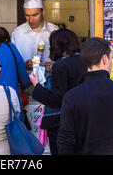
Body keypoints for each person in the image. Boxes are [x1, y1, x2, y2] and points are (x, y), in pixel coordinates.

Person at [57, 37, 113, 155]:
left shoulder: (72, 97)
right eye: (112, 58)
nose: (112, 63)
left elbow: (65, 140)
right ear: (105, 59)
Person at [29, 27, 86, 155]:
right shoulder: (84, 62)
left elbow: (56, 99)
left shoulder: (61, 65)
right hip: (82, 120)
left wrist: (36, 85)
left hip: (61, 123)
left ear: (58, 46)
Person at [11, 0, 58, 72]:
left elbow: (64, 59)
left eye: (35, 15)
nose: (31, 20)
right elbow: (12, 62)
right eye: (27, 15)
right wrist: (23, 65)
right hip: (25, 82)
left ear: (43, 11)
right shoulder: (17, 33)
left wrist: (55, 65)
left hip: (50, 81)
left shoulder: (55, 32)